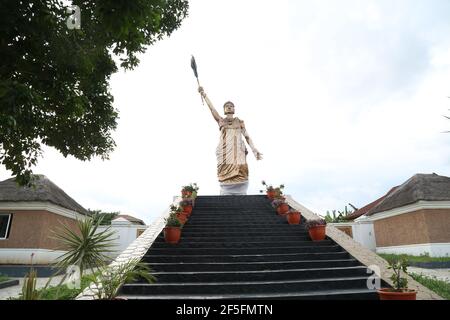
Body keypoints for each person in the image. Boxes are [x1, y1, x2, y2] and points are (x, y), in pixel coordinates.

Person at [198, 86, 263, 195]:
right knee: (224, 170)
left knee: (242, 169)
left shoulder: (240, 122)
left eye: (231, 106)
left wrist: (254, 149)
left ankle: (240, 189)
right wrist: (204, 95)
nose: (229, 107)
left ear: (234, 109)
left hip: (238, 150)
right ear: (224, 110)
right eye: (226, 106)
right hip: (225, 151)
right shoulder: (221, 121)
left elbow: (247, 136)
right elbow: (212, 109)